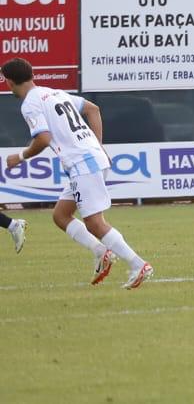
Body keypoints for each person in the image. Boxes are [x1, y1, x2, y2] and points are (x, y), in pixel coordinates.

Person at [1, 58, 152, 288]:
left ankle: (137, 264)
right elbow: (93, 109)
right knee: (61, 215)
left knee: (94, 222)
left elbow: (43, 139)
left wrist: (20, 157)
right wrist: (98, 146)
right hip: (89, 159)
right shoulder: (55, 93)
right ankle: (101, 251)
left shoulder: (30, 104)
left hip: (83, 164)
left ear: (9, 81)